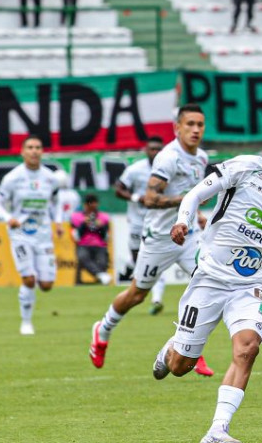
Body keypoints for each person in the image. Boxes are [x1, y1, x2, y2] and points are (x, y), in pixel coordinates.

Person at [153, 115, 262, 443]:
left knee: (248, 348)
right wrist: (182, 221)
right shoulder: (245, 168)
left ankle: (217, 430)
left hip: (251, 285)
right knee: (181, 365)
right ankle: (171, 349)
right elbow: (195, 195)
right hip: (211, 276)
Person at [89, 105, 214, 376]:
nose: (195, 130)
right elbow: (150, 199)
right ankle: (103, 328)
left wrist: (198, 214)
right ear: (177, 128)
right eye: (189, 124)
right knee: (137, 295)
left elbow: (189, 195)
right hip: (158, 239)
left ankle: (186, 346)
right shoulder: (168, 158)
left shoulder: (201, 158)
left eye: (200, 125)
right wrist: (188, 200)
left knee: (209, 282)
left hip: (188, 236)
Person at [0, 135, 63, 335]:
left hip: (43, 234)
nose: (34, 151)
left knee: (47, 285)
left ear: (42, 151)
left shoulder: (50, 178)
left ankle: (30, 298)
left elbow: (56, 202)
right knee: (29, 279)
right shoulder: (12, 178)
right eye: (30, 147)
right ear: (22, 152)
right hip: (20, 234)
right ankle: (26, 322)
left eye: (38, 147)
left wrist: (57, 220)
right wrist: (8, 218)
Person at [114, 135, 168, 313]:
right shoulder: (135, 170)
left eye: (158, 149)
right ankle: (134, 278)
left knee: (156, 259)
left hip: (160, 223)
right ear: (146, 150)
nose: (155, 152)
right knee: (140, 263)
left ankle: (157, 299)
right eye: (152, 149)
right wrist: (137, 198)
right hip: (138, 223)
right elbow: (118, 189)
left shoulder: (170, 169)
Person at [70, 193, 111, 285]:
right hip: (83, 245)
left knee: (102, 262)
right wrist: (83, 224)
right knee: (82, 257)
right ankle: (101, 275)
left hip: (99, 246)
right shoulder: (76, 217)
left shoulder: (103, 217)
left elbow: (107, 238)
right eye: (89, 208)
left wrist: (101, 227)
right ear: (85, 206)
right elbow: (75, 237)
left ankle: (100, 277)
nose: (91, 211)